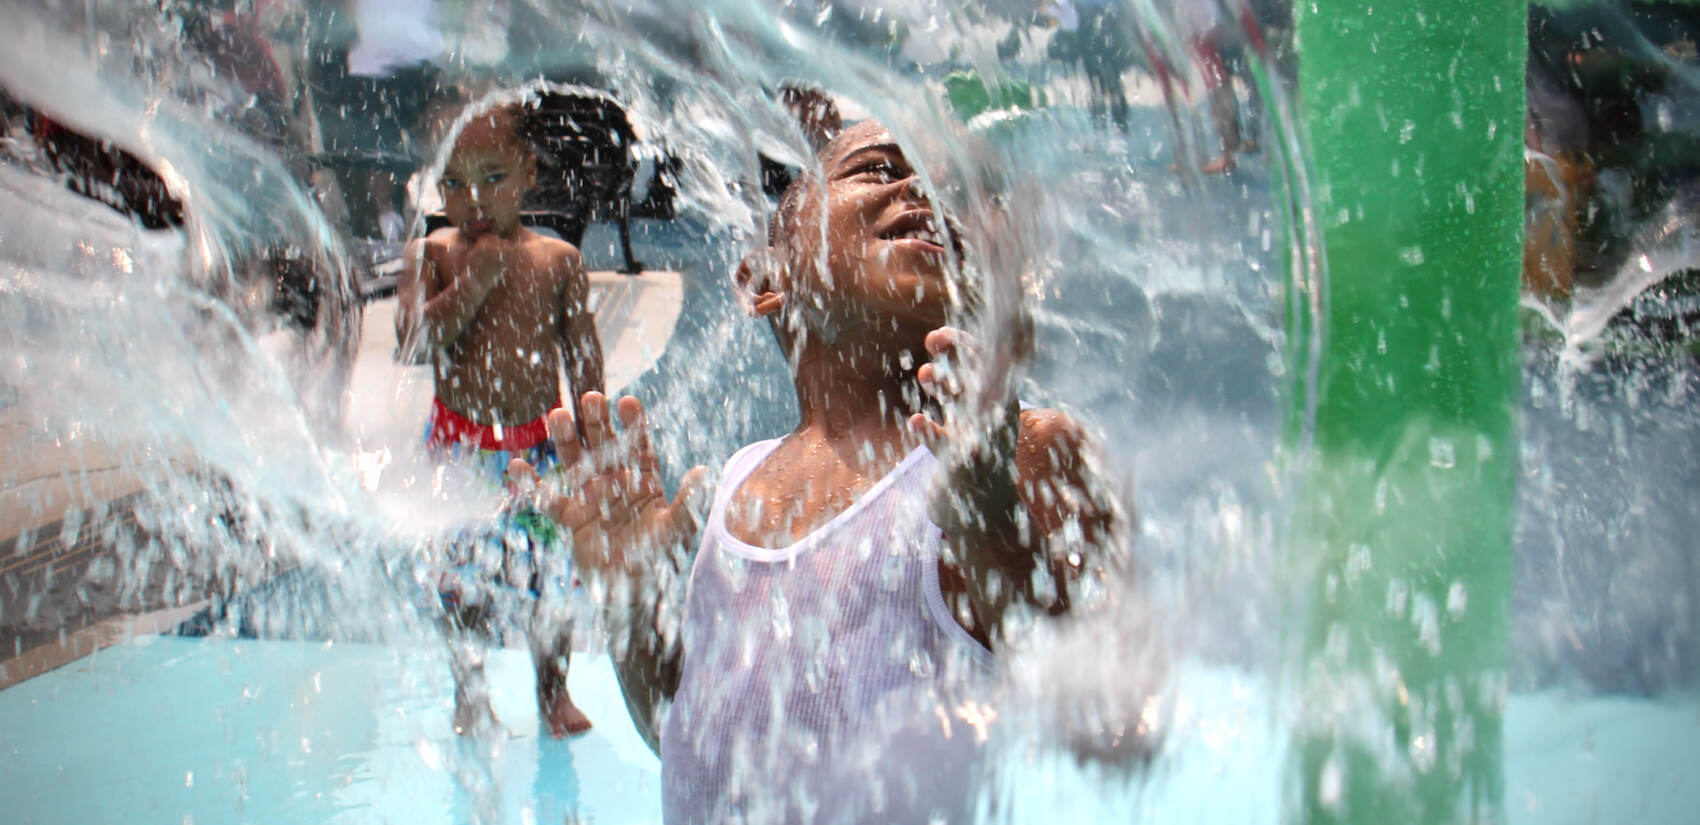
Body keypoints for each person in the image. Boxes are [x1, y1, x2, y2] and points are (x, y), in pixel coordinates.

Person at [516, 120, 1126, 822]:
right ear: (765, 279)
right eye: (877, 167)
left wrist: (994, 536)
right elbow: (687, 736)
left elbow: (1095, 720)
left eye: (953, 189)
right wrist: (630, 604)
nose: (925, 193)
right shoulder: (736, 487)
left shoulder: (1023, 452)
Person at [395, 100, 604, 738]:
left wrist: (595, 444)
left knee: (552, 581)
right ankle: (471, 696)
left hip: (539, 454)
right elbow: (414, 344)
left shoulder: (556, 261)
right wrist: (472, 284)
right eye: (453, 182)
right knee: (460, 586)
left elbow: (584, 358)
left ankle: (553, 691)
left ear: (528, 173)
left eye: (492, 177)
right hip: (460, 453)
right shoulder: (430, 255)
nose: (473, 198)